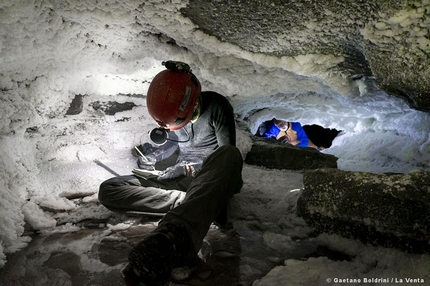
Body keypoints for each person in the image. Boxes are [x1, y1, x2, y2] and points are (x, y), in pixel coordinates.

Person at [98, 61, 243, 285]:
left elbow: (226, 156)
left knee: (230, 155)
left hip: (208, 178)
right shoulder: (171, 114)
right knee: (109, 189)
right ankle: (190, 205)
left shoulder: (216, 106)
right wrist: (153, 158)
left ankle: (175, 238)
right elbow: (172, 144)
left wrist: (189, 168)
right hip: (181, 183)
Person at [255, 118, 342, 150]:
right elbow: (265, 138)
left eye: (282, 123)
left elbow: (304, 141)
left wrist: (292, 147)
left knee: (319, 145)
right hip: (287, 146)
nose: (281, 126)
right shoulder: (273, 129)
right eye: (278, 125)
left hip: (301, 143)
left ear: (286, 120)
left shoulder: (295, 126)